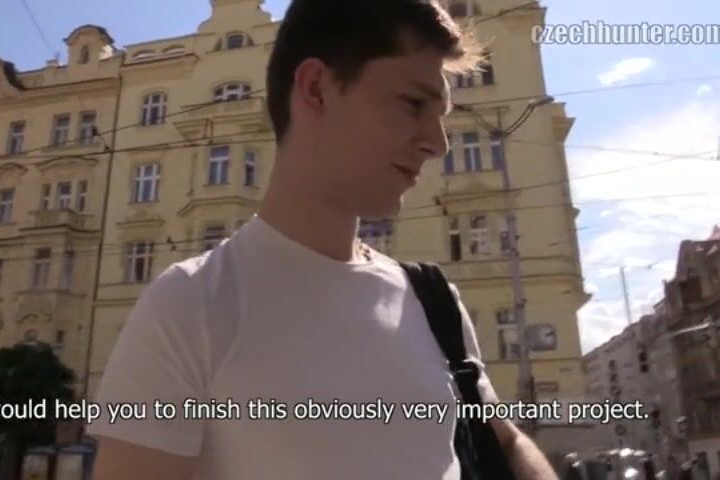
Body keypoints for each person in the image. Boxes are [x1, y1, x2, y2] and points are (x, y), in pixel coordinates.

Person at [88, 0, 558, 478]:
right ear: (316, 88)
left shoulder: (433, 300)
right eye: (414, 104)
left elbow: (504, 440)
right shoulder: (190, 304)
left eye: (441, 115)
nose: (438, 143)